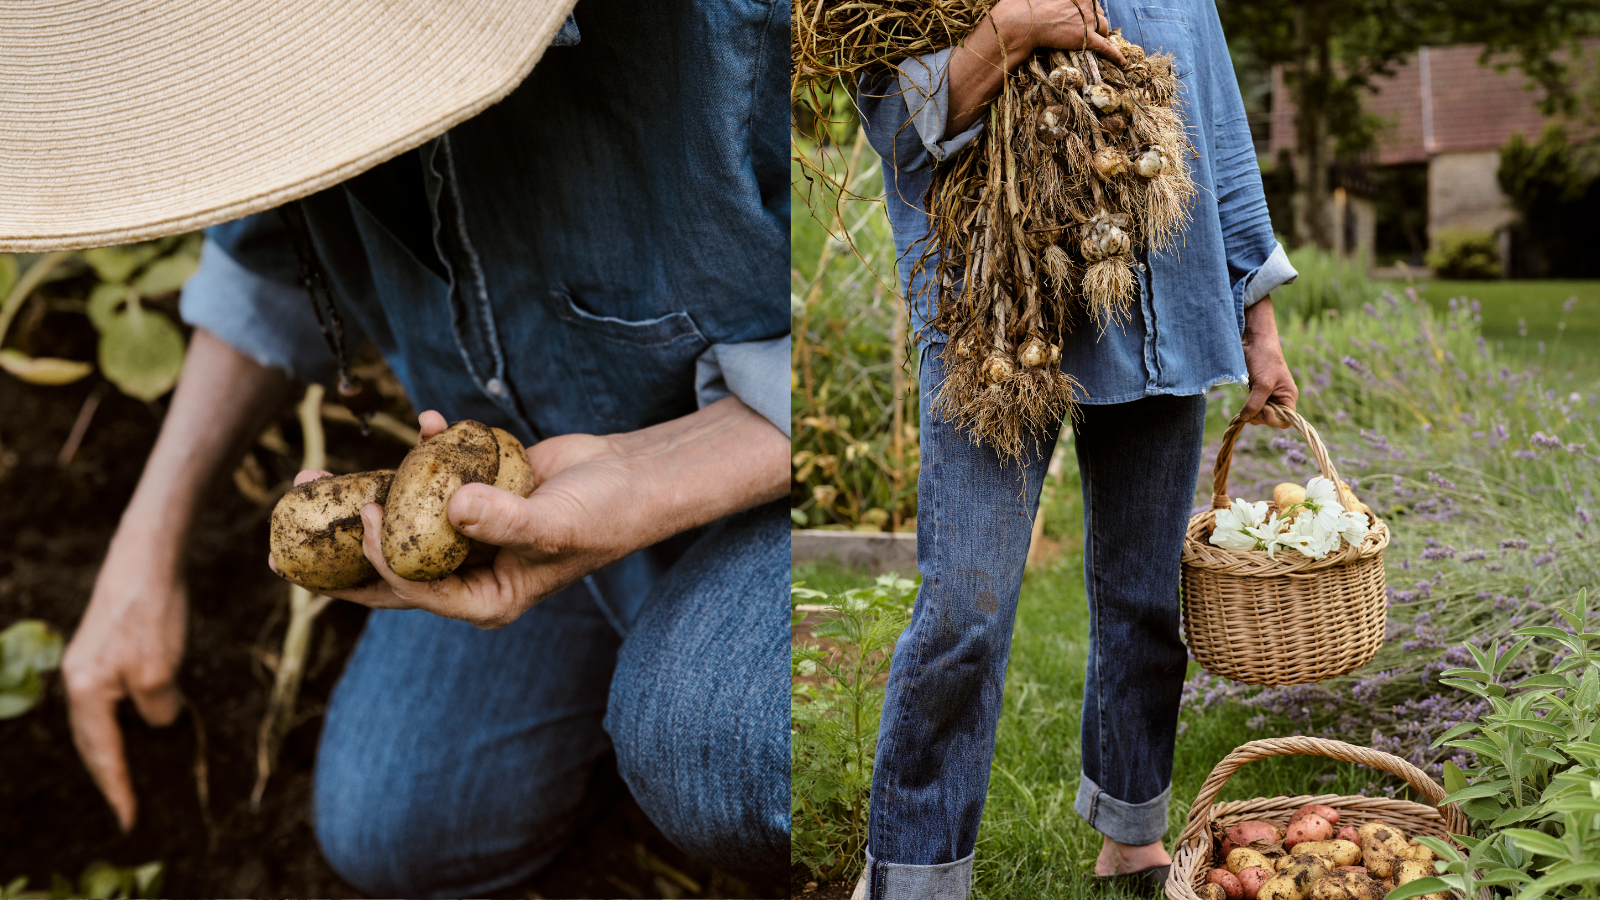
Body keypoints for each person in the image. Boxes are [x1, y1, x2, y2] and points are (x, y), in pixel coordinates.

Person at [4, 0, 792, 895]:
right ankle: (652, 667)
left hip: (822, 474)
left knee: (713, 747)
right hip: (534, 478)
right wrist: (146, 546)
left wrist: (658, 478)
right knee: (401, 819)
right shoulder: (263, 44)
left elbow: (921, 343)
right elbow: (269, 251)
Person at [855, 0, 1300, 894]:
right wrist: (1011, 30)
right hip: (1000, 327)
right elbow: (901, 134)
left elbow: (1216, 126)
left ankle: (1132, 831)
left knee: (1145, 597)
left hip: (1161, 305)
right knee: (963, 612)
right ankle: (911, 871)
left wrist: (1259, 315)